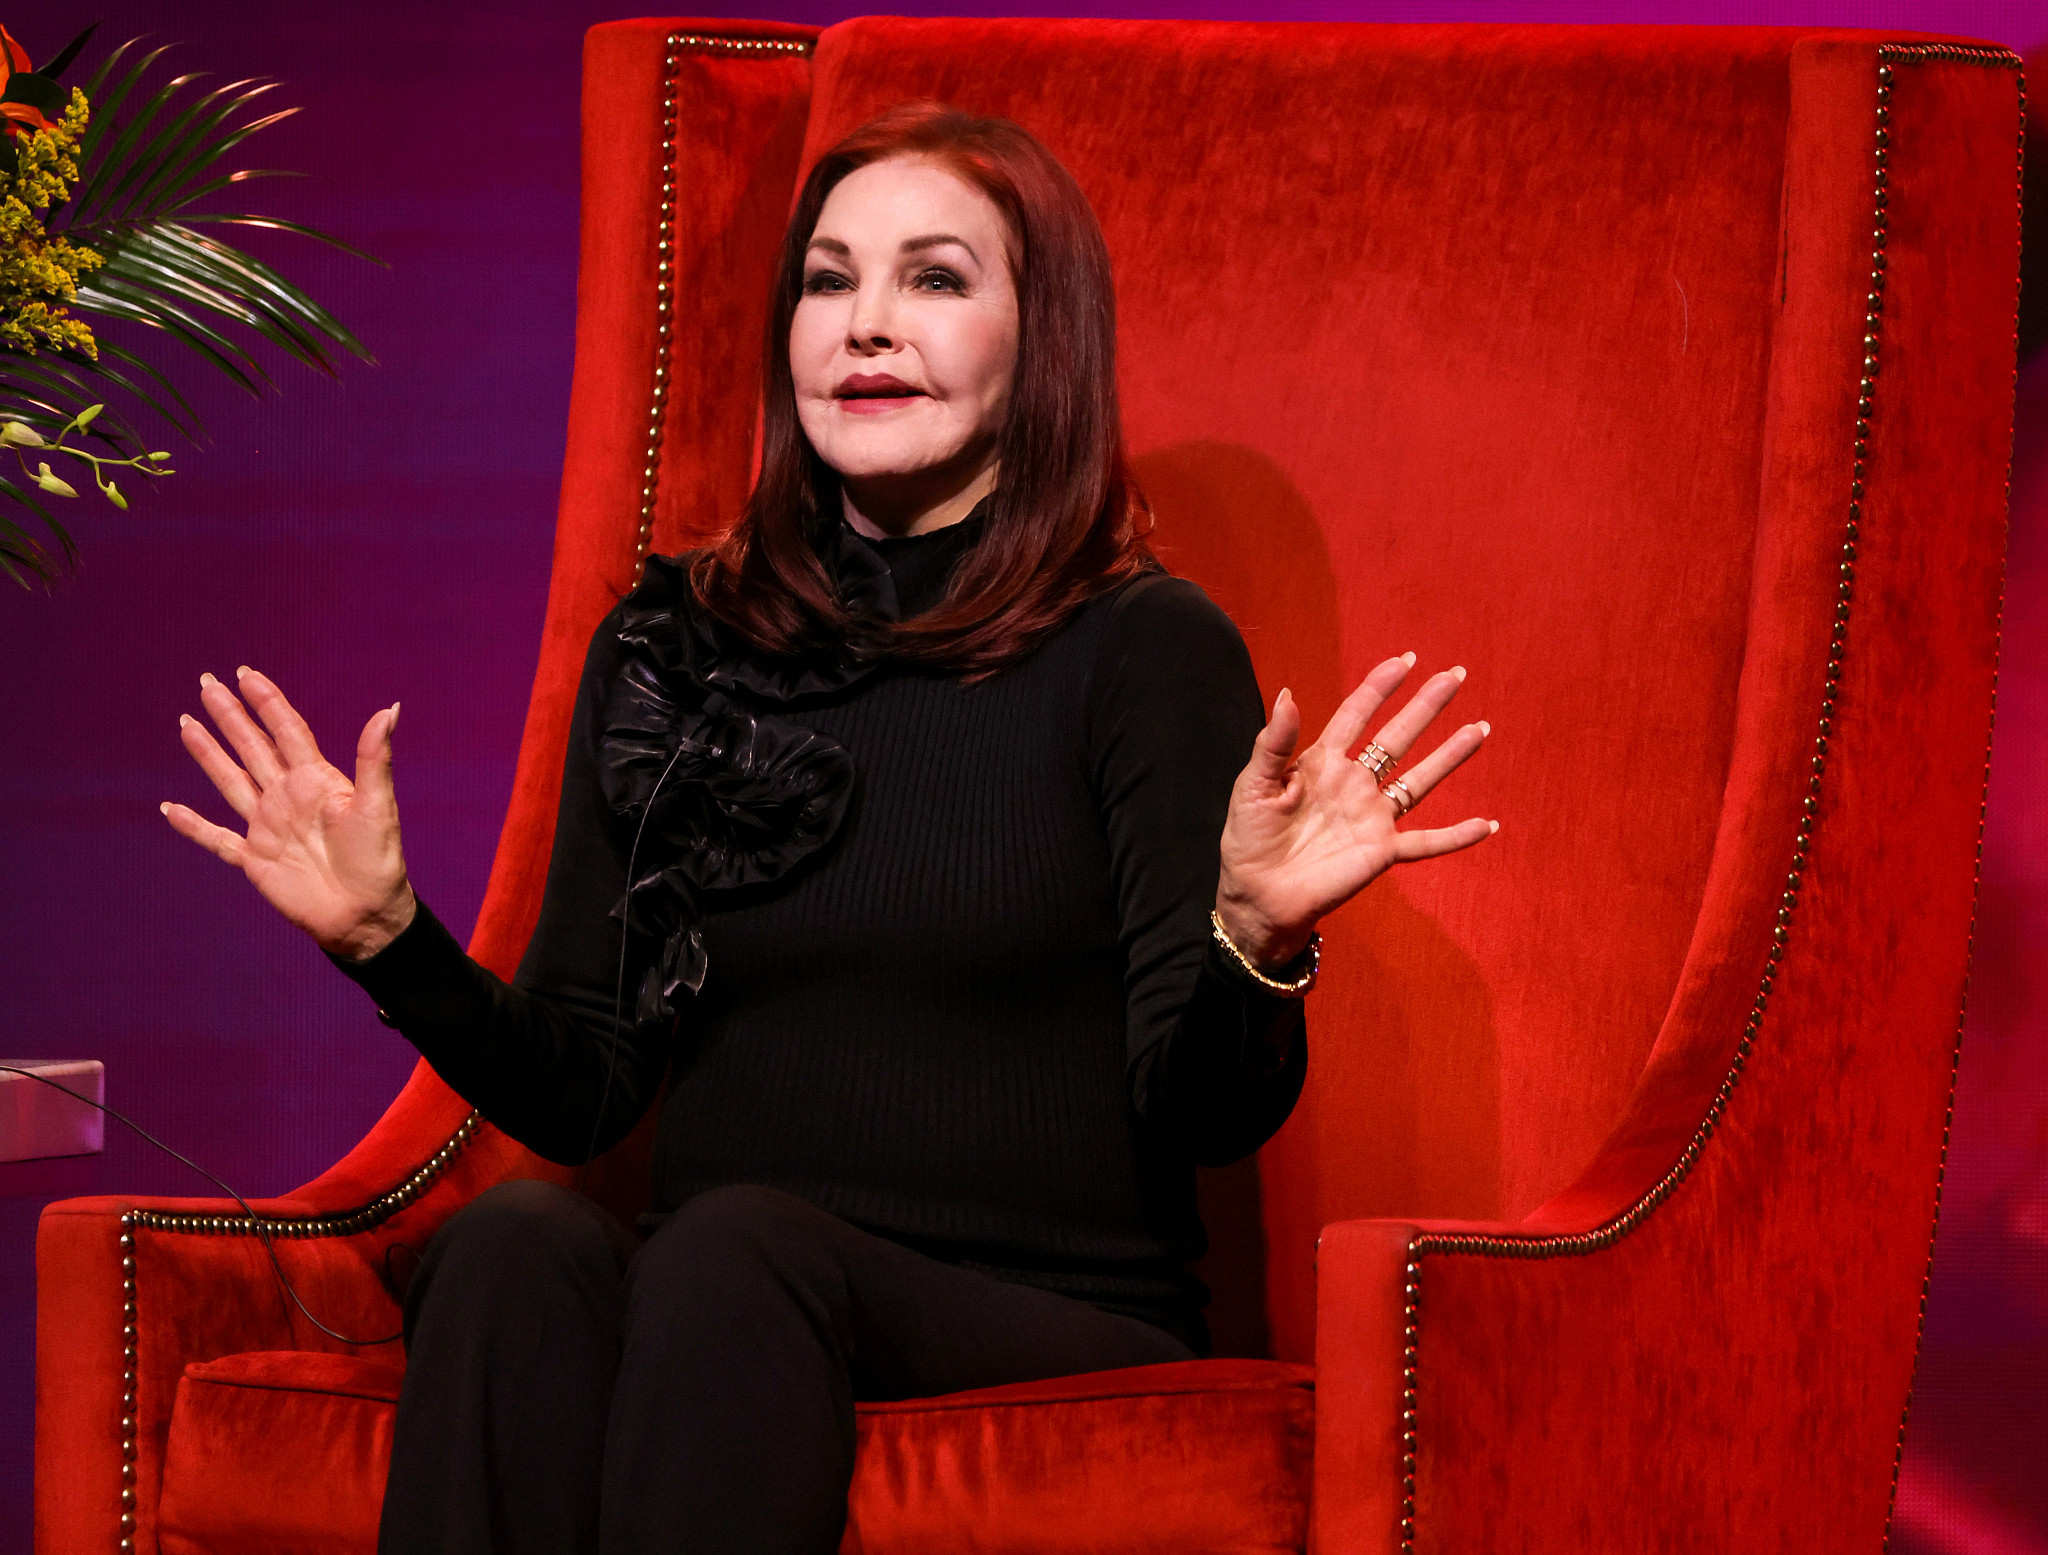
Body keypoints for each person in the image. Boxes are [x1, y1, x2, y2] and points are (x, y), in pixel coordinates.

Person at [164, 103, 1495, 1555]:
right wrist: (391, 946)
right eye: (827, 279)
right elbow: (587, 1089)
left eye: (934, 279)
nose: (866, 324)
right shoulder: (678, 643)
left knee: (735, 1248)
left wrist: (1252, 938)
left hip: (1046, 1309)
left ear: (1038, 338)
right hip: (726, 1304)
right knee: (510, 1245)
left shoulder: (1145, 651)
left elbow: (1206, 1113)